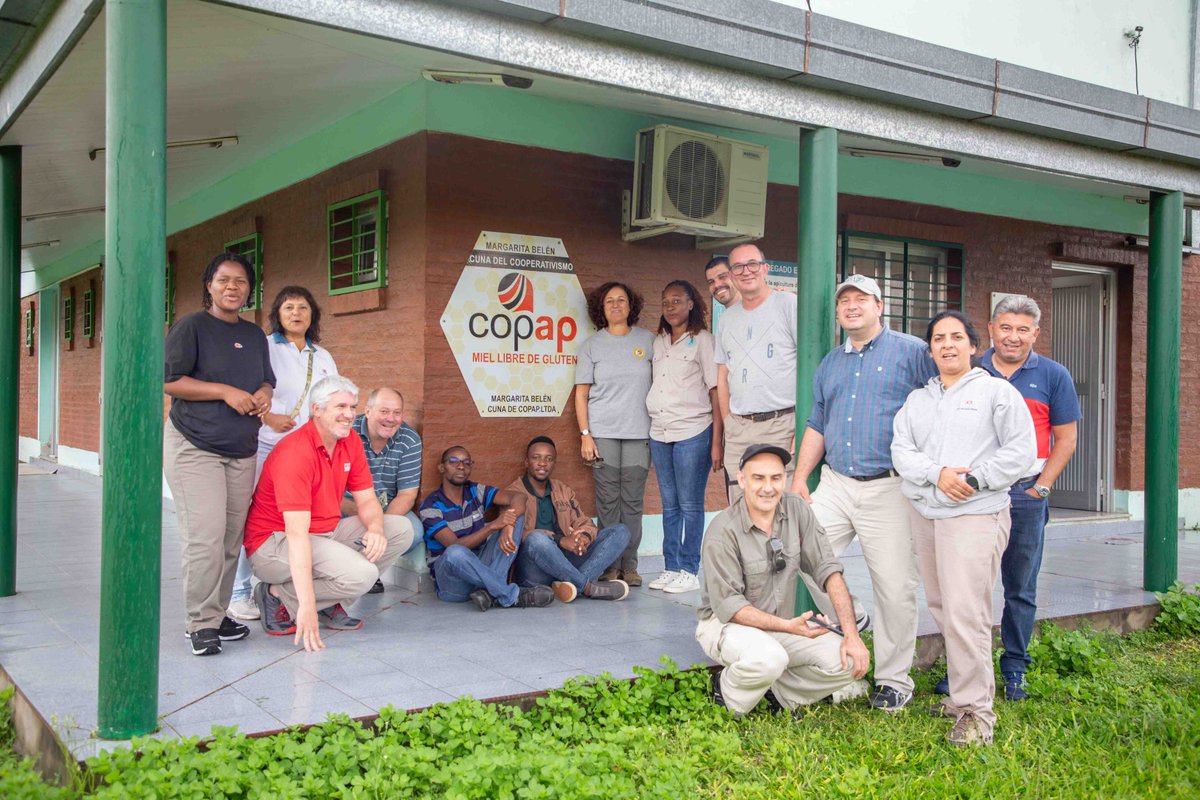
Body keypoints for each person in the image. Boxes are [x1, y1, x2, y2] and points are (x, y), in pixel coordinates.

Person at [786, 273, 937, 712]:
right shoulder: (831, 362)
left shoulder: (913, 352)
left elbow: (942, 401)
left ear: (879, 306)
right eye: (844, 301)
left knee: (894, 587)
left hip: (889, 486)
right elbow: (817, 422)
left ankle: (894, 681)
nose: (851, 306)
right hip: (836, 481)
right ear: (837, 312)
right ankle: (850, 614)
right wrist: (800, 477)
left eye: (861, 299)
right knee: (798, 549)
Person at [892, 311, 1036, 746]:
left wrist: (974, 479)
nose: (947, 344)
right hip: (926, 513)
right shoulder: (918, 400)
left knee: (965, 612)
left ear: (974, 346)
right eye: (939, 338)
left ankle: (976, 713)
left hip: (974, 514)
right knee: (942, 606)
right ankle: (960, 697)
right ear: (930, 349)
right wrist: (936, 474)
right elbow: (901, 451)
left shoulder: (996, 392)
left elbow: (1021, 451)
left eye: (956, 337)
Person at [695, 444, 871, 715]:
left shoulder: (796, 509)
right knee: (769, 658)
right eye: (758, 478)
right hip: (725, 624)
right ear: (742, 480)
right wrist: (789, 626)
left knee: (846, 660)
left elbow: (828, 569)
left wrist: (851, 634)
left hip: (780, 624)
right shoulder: (722, 531)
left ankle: (778, 696)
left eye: (775, 478)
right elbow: (731, 607)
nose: (768, 488)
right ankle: (726, 695)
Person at [244, 376, 413, 650]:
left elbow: (367, 499)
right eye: (340, 407)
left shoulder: (350, 441)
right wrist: (306, 605)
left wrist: (376, 529)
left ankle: (328, 602)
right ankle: (275, 594)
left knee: (400, 529)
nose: (349, 414)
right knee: (362, 575)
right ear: (317, 410)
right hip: (273, 543)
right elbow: (297, 535)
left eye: (352, 407)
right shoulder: (296, 452)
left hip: (323, 533)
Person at [164, 251, 274, 657]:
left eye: (241, 281)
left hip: (241, 450)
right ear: (209, 285)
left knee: (230, 540)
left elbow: (266, 380)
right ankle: (199, 622)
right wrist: (224, 392)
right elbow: (169, 381)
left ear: (250, 289)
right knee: (205, 539)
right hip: (195, 445)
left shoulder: (255, 335)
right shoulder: (191, 326)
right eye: (224, 279)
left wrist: (263, 394)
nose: (232, 287)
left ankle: (216, 611)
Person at [971, 295, 1080, 701]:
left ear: (1035, 333)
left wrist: (1041, 487)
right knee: (970, 586)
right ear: (991, 329)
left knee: (1020, 586)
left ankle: (1015, 666)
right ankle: (968, 667)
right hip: (976, 494)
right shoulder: (972, 370)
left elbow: (1066, 439)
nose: (1013, 337)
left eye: (1022, 329)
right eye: (1005, 327)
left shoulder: (1053, 375)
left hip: (1026, 492)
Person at [229, 286, 338, 622]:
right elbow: (247, 391)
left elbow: (332, 400)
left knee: (301, 517)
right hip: (267, 444)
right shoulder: (264, 347)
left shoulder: (323, 356)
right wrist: (268, 417)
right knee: (252, 514)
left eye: (303, 307)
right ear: (277, 313)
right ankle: (239, 592)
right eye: (288, 307)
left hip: (307, 452)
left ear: (312, 314)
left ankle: (290, 587)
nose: (296, 313)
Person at [575, 281, 656, 586]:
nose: (616, 305)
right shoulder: (592, 346)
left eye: (621, 300)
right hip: (603, 435)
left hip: (639, 433)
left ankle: (630, 566)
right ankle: (609, 565)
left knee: (632, 503)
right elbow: (581, 394)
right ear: (601, 308)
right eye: (610, 301)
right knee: (608, 503)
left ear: (631, 305)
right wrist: (585, 434)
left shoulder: (648, 341)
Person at [646, 280, 721, 594]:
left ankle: (689, 570)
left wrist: (717, 441)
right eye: (665, 301)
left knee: (690, 504)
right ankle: (671, 567)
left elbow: (716, 392)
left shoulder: (703, 341)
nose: (670, 307)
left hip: (693, 431)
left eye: (677, 300)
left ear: (691, 304)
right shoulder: (659, 342)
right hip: (660, 432)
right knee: (669, 505)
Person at [420, 446, 554, 611]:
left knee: (516, 516)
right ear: (441, 467)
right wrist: (492, 526)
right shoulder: (430, 506)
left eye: (466, 462)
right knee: (454, 552)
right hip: (452, 583)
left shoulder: (475, 491)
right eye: (453, 461)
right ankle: (511, 595)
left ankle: (489, 593)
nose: (461, 466)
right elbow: (455, 545)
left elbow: (519, 497)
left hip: (481, 567)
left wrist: (507, 525)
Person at [715, 244, 798, 504]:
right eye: (738, 267)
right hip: (739, 428)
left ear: (765, 268)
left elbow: (812, 366)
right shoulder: (727, 319)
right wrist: (728, 421)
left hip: (781, 425)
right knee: (739, 506)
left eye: (752, 264)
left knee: (780, 507)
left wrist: (802, 424)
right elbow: (723, 374)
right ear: (731, 275)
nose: (746, 271)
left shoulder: (788, 304)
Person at [507, 437, 632, 602]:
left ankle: (569, 586)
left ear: (554, 463)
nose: (542, 463)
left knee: (621, 531)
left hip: (566, 560)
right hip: (533, 570)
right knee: (536, 539)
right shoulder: (513, 493)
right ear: (526, 462)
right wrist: (560, 540)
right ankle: (587, 587)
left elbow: (585, 523)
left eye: (549, 459)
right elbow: (513, 535)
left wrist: (583, 538)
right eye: (536, 458)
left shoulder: (563, 490)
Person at [341, 387, 424, 594]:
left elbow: (407, 495)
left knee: (414, 532)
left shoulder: (409, 440)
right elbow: (329, 492)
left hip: (387, 508)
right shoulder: (346, 434)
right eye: (384, 411)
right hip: (347, 506)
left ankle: (368, 573)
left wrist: (379, 526)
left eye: (397, 413)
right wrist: (368, 519)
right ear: (367, 411)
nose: (391, 419)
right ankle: (344, 572)